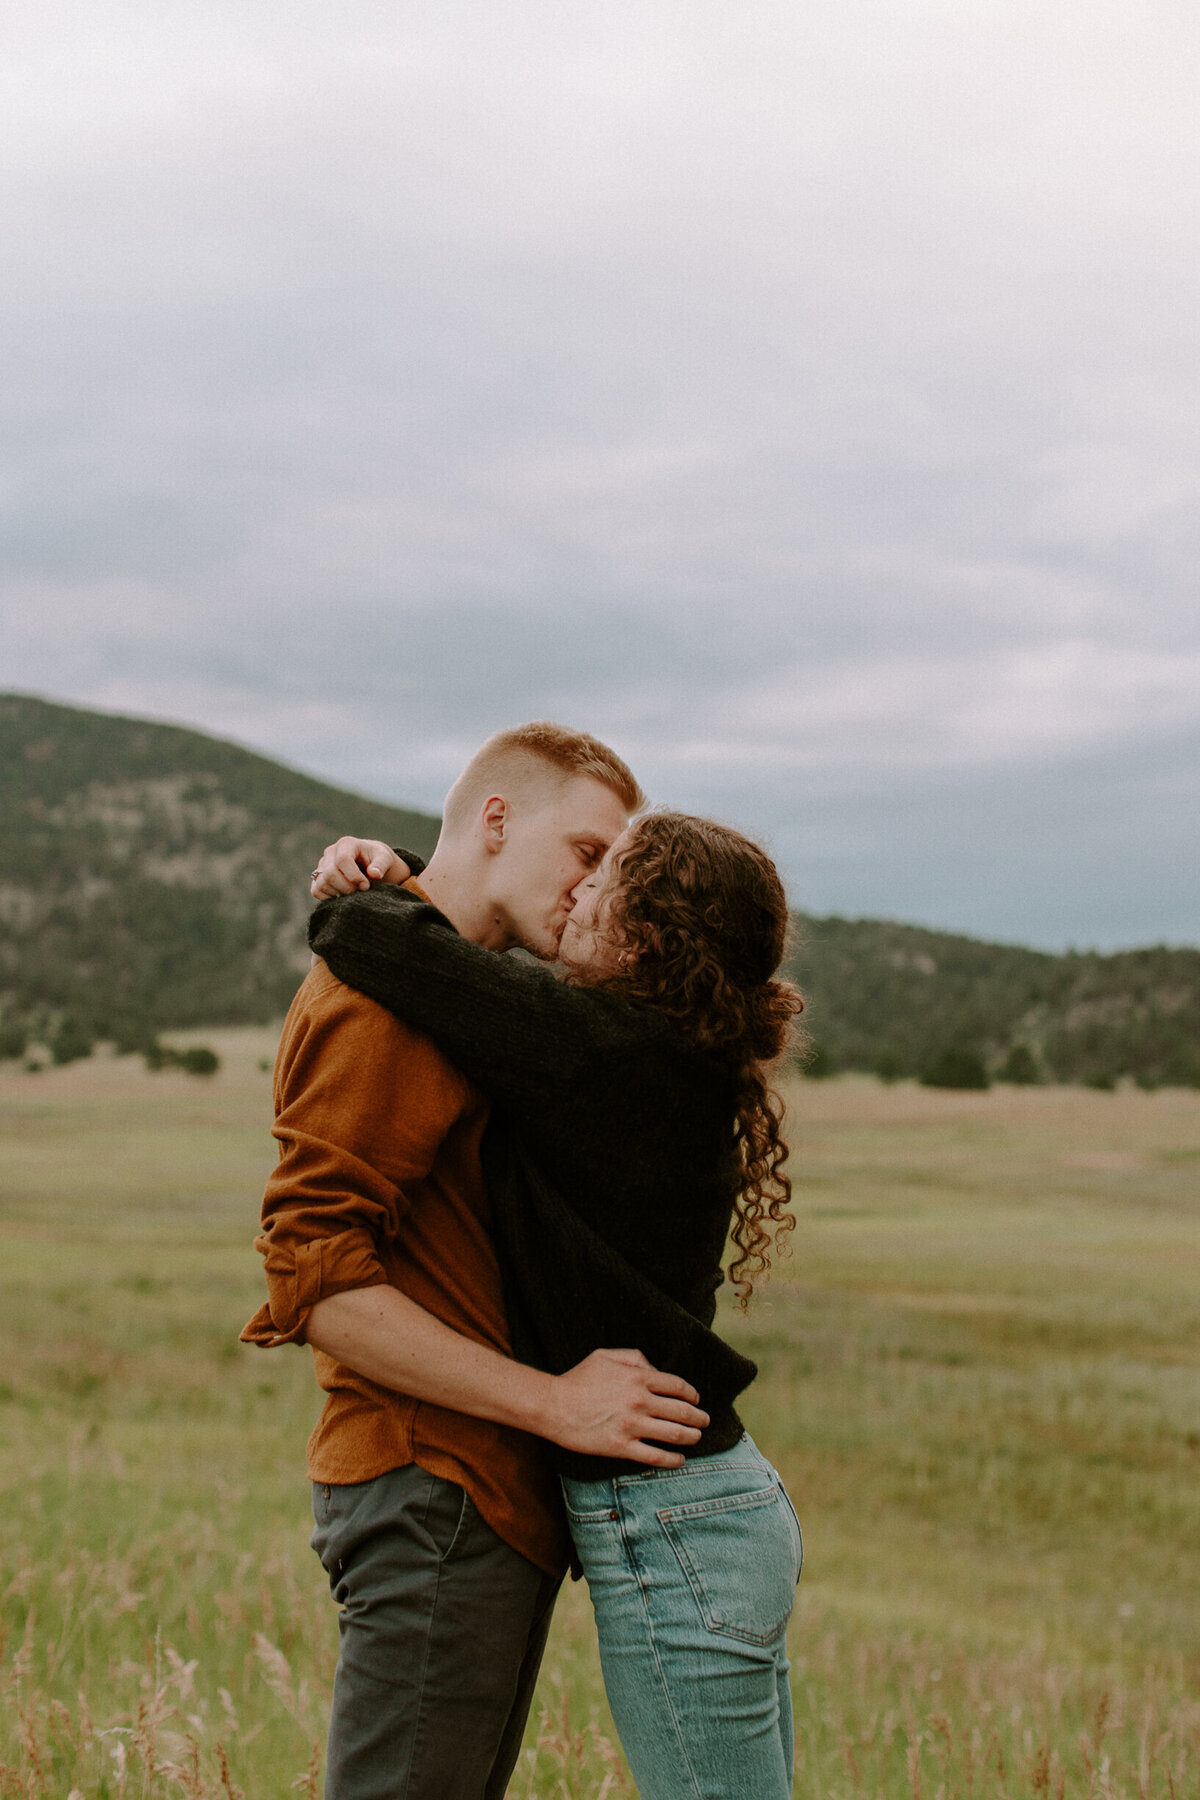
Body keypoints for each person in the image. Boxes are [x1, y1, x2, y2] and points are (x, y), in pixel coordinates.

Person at [241, 723, 712, 1800]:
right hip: (433, 1485)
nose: (598, 892)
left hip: (467, 1494)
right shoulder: (382, 1002)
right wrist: (554, 1403)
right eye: (589, 853)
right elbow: (318, 1283)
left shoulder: (442, 981)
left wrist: (389, 869)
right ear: (496, 820)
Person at [308, 806, 806, 1800]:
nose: (575, 893)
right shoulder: (647, 1055)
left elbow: (370, 939)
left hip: (677, 1527)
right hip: (700, 1516)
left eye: (604, 876)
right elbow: (449, 963)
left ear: (643, 935)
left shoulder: (603, 1055)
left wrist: (377, 875)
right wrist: (398, 868)